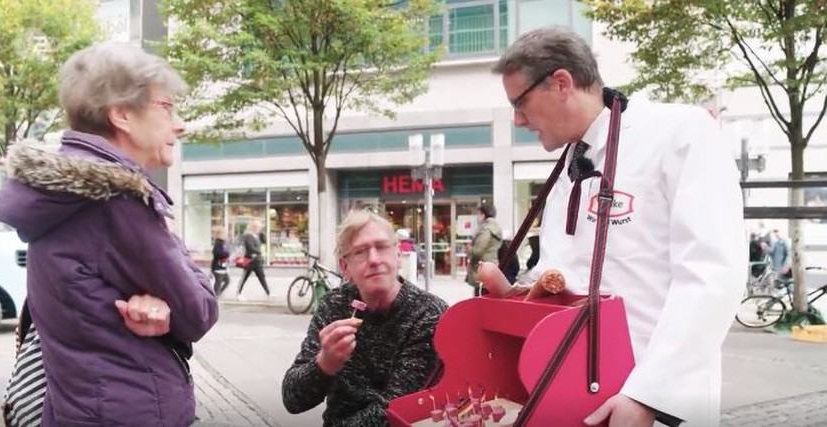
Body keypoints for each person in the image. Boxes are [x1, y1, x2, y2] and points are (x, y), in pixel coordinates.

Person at [492, 27, 746, 427]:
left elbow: (713, 274)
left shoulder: (681, 132)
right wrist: (526, 293)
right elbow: (567, 269)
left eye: (519, 103)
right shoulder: (568, 164)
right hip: (570, 392)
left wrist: (648, 395)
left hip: (651, 403)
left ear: (561, 82)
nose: (517, 119)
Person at [0, 41, 219, 426]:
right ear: (121, 115)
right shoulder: (116, 199)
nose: (179, 124)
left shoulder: (60, 193)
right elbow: (198, 311)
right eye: (166, 107)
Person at [281, 210, 448, 425]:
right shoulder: (335, 305)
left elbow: (395, 412)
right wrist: (325, 364)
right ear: (344, 267)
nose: (374, 259)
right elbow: (292, 399)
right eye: (360, 251)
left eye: (382, 247)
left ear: (398, 255)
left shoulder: (429, 314)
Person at [465, 203, 503, 296]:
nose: (477, 217)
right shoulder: (495, 227)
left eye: (478, 214)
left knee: (481, 297)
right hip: (491, 266)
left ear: (483, 214)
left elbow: (478, 250)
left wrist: (469, 249)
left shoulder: (486, 229)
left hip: (482, 269)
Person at [236, 220, 270, 299]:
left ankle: (268, 292)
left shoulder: (256, 236)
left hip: (257, 261)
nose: (259, 229)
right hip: (250, 260)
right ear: (254, 227)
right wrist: (259, 252)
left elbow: (264, 241)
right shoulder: (248, 236)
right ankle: (238, 294)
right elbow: (250, 248)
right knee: (244, 278)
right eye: (258, 228)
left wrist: (262, 234)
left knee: (262, 277)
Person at [212, 227, 231, 295]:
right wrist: (226, 254)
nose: (226, 235)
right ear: (219, 234)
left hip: (223, 267)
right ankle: (214, 296)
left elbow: (226, 252)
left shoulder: (223, 243)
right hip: (218, 267)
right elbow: (216, 253)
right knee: (218, 283)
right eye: (224, 234)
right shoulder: (218, 243)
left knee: (227, 281)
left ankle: (216, 295)